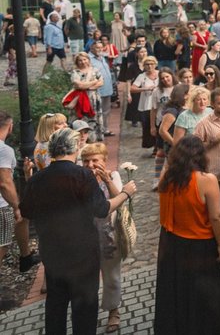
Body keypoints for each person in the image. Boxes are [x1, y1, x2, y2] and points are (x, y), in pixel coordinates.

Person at [20, 128, 136, 335]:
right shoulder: (81, 175)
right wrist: (125, 193)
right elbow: (101, 209)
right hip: (83, 254)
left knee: (55, 305)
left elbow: (26, 210)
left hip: (53, 252)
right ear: (74, 148)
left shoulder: (37, 179)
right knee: (84, 309)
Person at [155, 135, 220, 334]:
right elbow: (216, 216)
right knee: (203, 292)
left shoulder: (166, 178)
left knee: (175, 289)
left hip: (170, 242)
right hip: (199, 244)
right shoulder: (206, 180)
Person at [79, 143, 126, 333]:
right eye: (86, 161)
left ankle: (113, 311)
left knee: (111, 276)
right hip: (84, 236)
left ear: (104, 161)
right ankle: (86, 312)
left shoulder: (113, 176)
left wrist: (107, 181)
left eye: (94, 160)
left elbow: (120, 199)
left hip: (108, 234)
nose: (90, 164)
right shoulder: (79, 179)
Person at [0, 111, 40, 290]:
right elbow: (5, 183)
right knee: (2, 245)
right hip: (1, 207)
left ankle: (26, 257)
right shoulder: (4, 150)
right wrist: (16, 207)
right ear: (10, 127)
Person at [69, 52, 105, 141]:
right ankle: (81, 139)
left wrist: (85, 86)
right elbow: (78, 85)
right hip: (80, 99)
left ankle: (94, 139)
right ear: (77, 62)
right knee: (81, 119)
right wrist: (93, 82)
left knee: (94, 119)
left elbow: (101, 82)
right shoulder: (75, 72)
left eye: (85, 59)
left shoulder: (95, 70)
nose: (83, 62)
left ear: (88, 60)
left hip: (93, 98)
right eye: (80, 60)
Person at [131, 56, 161, 151]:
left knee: (159, 124)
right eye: (147, 64)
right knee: (148, 125)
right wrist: (145, 89)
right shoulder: (142, 76)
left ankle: (159, 146)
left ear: (155, 64)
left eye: (151, 64)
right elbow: (132, 88)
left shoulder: (160, 74)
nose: (149, 66)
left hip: (159, 104)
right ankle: (153, 146)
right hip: (147, 104)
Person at [89, 41, 116, 137]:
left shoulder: (102, 58)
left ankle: (105, 129)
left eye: (101, 47)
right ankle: (96, 131)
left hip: (107, 89)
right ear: (92, 48)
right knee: (96, 112)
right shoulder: (89, 59)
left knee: (106, 111)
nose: (100, 49)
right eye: (97, 48)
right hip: (97, 90)